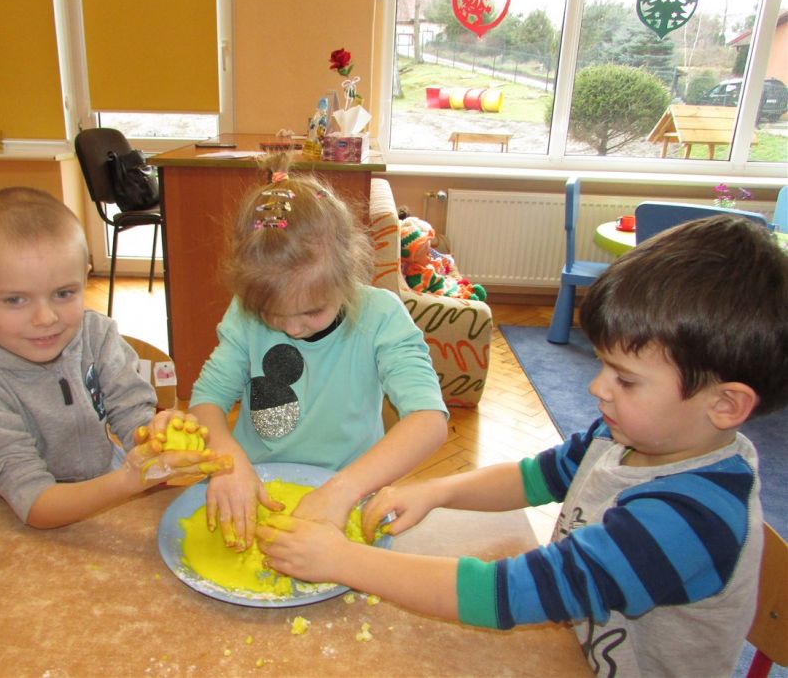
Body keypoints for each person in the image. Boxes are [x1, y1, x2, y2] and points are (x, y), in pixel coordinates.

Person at [257, 214, 788, 677]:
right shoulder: (622, 438)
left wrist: (342, 560)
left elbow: (517, 591)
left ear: (725, 404)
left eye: (625, 380)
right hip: (569, 649)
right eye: (603, 365)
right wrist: (436, 491)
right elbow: (536, 477)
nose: (597, 387)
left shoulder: (691, 519)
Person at [0, 187, 227, 529]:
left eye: (64, 293)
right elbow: (34, 502)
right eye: (14, 300)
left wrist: (155, 437)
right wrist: (130, 478)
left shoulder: (96, 334)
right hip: (2, 518)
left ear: (84, 278)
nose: (45, 318)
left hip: (104, 484)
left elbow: (132, 416)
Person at [189, 156, 448, 551]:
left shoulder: (381, 317)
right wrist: (228, 462)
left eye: (312, 312)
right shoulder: (243, 314)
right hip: (255, 484)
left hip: (348, 492)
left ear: (348, 273)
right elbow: (206, 401)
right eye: (272, 314)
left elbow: (429, 421)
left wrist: (343, 489)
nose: (292, 328)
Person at [400, 216, 487, 301]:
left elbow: (435, 269)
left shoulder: (424, 264)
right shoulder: (414, 277)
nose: (431, 256)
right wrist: (433, 297)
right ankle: (468, 298)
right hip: (441, 294)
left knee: (455, 286)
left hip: (443, 284)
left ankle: (469, 290)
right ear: (413, 259)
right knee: (454, 294)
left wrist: (439, 264)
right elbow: (421, 295)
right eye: (427, 254)